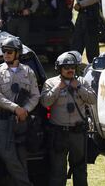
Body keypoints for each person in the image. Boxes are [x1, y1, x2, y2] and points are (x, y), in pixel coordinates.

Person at [0, 37, 40, 186]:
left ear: (18, 53)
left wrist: (25, 110)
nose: (6, 54)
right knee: (7, 155)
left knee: (21, 155)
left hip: (22, 120)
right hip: (5, 119)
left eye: (10, 51)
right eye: (4, 51)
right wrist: (15, 108)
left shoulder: (28, 71)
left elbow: (35, 95)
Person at [40, 51, 96, 186]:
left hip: (78, 133)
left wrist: (79, 88)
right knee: (58, 171)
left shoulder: (82, 82)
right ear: (59, 69)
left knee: (80, 169)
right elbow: (45, 102)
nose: (70, 70)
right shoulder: (50, 83)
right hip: (58, 133)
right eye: (66, 68)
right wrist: (58, 88)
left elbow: (93, 99)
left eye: (72, 67)